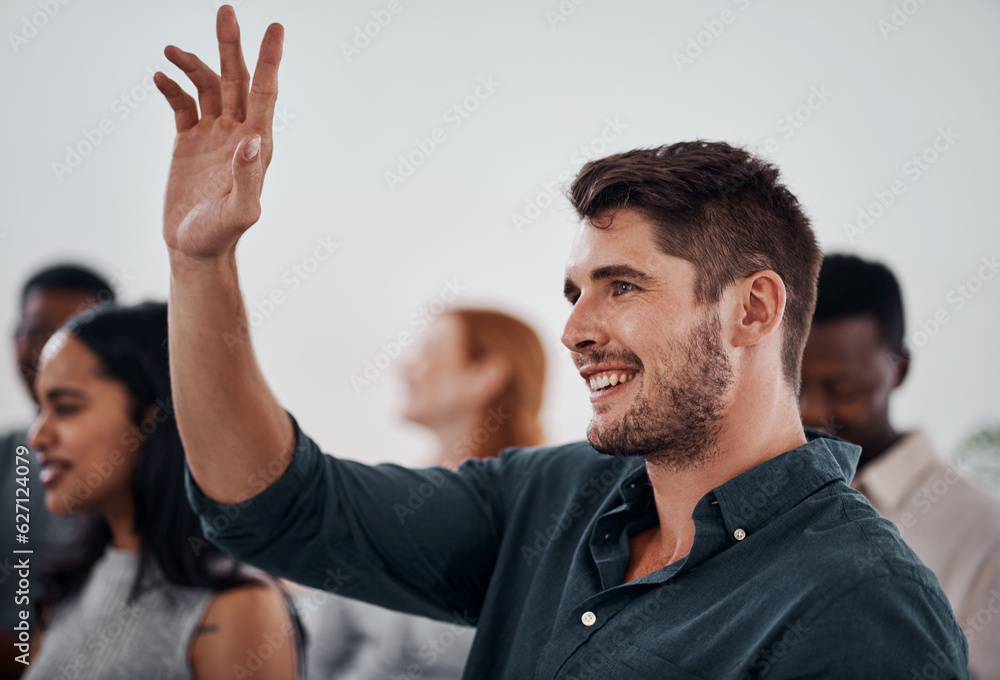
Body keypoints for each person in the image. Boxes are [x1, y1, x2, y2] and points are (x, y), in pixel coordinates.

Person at [153, 7, 969, 677]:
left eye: (623, 285)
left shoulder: (861, 603)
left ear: (753, 310)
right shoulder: (552, 498)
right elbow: (276, 509)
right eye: (576, 292)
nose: (576, 329)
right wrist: (201, 264)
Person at [22, 302, 302, 679]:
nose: (37, 436)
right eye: (40, 408)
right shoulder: (69, 588)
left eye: (67, 407)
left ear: (154, 419)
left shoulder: (236, 606)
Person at [303, 308, 546, 679]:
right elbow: (325, 647)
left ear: (485, 375)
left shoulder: (539, 512)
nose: (406, 367)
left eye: (429, 351)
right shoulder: (395, 499)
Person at [800, 253, 1000, 679]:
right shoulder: (753, 498)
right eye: (792, 384)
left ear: (899, 367)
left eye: (846, 388)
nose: (813, 411)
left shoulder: (986, 533)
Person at [2, 264, 112, 680]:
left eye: (73, 332)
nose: (51, 350)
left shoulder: (140, 472)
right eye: (38, 330)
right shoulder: (5, 455)